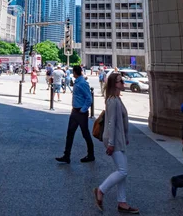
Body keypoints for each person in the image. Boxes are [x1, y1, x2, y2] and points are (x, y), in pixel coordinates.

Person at [94, 73, 139, 214]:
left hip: (118, 139)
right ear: (115, 84)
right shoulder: (113, 101)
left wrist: (125, 136)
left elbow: (121, 122)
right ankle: (101, 190)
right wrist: (112, 143)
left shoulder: (117, 99)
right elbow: (111, 123)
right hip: (113, 139)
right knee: (122, 171)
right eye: (121, 81)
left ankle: (122, 202)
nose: (123, 83)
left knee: (123, 171)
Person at [56, 65, 95, 164]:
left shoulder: (82, 83)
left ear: (75, 72)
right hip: (75, 111)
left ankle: (91, 154)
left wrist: (83, 109)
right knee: (70, 133)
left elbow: (89, 98)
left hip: (80, 112)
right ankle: (66, 155)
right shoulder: (79, 81)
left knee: (85, 133)